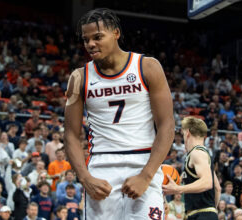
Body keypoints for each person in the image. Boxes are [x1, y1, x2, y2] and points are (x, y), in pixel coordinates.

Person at [64, 8, 174, 220]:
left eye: (97, 37)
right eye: (86, 39)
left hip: (143, 162)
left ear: (116, 33)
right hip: (101, 167)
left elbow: (167, 126)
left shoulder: (147, 67)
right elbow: (70, 134)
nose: (90, 44)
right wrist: (85, 178)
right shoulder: (78, 78)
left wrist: (147, 175)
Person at [163, 117, 221, 220]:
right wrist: (212, 211)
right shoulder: (202, 154)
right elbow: (217, 187)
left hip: (201, 215)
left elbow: (207, 183)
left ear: (188, 132)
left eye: (183, 133)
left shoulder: (197, 153)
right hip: (203, 214)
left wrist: (178, 189)